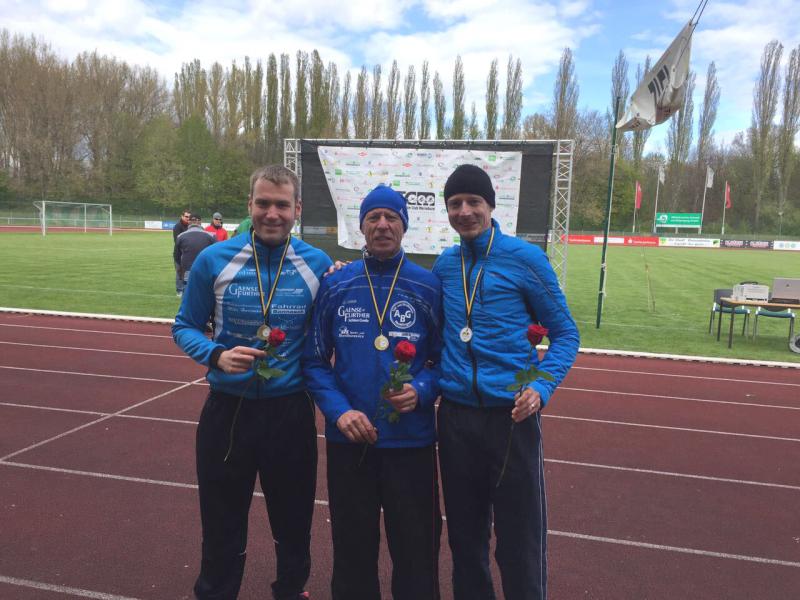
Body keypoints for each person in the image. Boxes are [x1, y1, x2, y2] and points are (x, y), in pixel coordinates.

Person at [173, 165, 332, 600]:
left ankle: (290, 591)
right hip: (228, 412)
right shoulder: (214, 260)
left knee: (294, 521)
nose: (272, 213)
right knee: (221, 522)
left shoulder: (318, 265)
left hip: (290, 413)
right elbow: (184, 326)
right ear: (250, 205)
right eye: (263, 203)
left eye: (282, 204)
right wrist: (216, 355)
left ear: (297, 209)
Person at [433, 164, 580, 600]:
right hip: (456, 419)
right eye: (455, 203)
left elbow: (566, 334)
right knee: (465, 539)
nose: (464, 211)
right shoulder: (445, 265)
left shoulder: (525, 259)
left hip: (510, 419)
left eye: (473, 201)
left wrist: (541, 387)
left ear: (491, 206)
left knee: (519, 541)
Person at [303, 184, 443, 600]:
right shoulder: (336, 284)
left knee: (417, 548)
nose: (382, 225)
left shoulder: (428, 286)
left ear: (404, 225)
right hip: (350, 440)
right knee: (352, 546)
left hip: (411, 441)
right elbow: (313, 360)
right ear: (361, 226)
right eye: (373, 218)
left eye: (391, 217)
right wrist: (339, 412)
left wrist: (422, 390)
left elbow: (445, 360)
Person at [174, 213, 215, 289]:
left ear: (189, 222)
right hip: (205, 271)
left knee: (188, 293)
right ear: (200, 222)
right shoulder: (211, 236)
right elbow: (216, 255)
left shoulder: (180, 236)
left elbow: (176, 256)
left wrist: (180, 272)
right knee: (203, 292)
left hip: (187, 271)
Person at [173, 209, 191, 297]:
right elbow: (177, 241)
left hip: (188, 254)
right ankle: (179, 290)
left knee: (188, 272)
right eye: (186, 216)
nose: (188, 218)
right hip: (179, 254)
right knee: (180, 273)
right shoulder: (177, 226)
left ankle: (186, 289)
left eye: (189, 217)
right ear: (182, 216)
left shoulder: (190, 226)